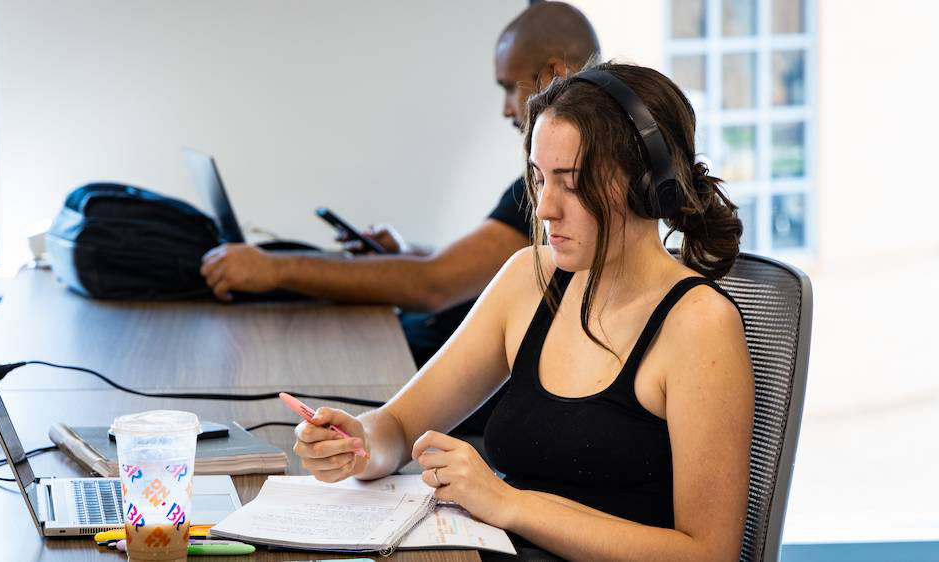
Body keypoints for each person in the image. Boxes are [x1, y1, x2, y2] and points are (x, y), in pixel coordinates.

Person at [292, 61, 754, 561]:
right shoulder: (528, 279)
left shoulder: (699, 325)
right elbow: (399, 427)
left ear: (647, 186)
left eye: (571, 183)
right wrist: (357, 445)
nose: (545, 207)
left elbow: (709, 553)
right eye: (538, 180)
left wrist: (509, 504)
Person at [199, 2, 600, 376]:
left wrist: (272, 270)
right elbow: (474, 268)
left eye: (508, 88)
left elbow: (432, 285)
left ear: (553, 75)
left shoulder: (572, 185)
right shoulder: (549, 179)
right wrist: (408, 253)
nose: (507, 109)